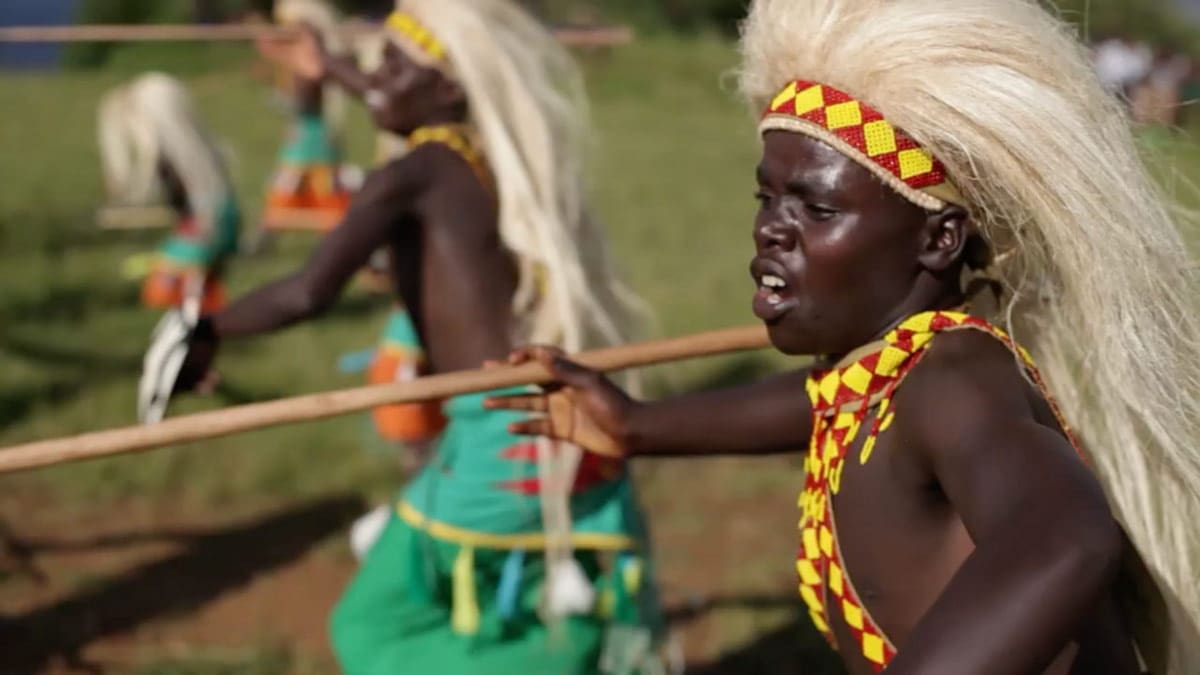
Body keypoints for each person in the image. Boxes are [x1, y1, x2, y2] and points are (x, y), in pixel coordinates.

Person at [488, 0, 1200, 672]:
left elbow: (1063, 540)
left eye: (817, 208)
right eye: (767, 197)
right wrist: (636, 425)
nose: (772, 228)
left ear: (938, 238)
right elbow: (819, 401)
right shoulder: (889, 376)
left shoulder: (957, 378)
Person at [173, 1, 662, 673]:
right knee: (486, 607)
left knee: (373, 625)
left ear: (448, 87)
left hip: (503, 439)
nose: (375, 81)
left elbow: (306, 291)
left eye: (395, 67)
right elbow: (391, 99)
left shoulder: (412, 173)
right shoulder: (482, 156)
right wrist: (330, 66)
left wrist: (200, 332)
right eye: (376, 66)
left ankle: (580, 658)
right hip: (533, 418)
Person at [98, 72, 241, 313]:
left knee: (160, 287)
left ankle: (199, 293)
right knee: (164, 277)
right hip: (208, 224)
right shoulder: (191, 156)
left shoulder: (188, 160)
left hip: (209, 230)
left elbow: (205, 212)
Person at [257, 0, 354, 232]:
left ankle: (272, 228)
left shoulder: (312, 57)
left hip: (313, 132)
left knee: (318, 186)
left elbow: (311, 74)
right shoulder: (303, 55)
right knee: (292, 184)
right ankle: (271, 228)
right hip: (307, 128)